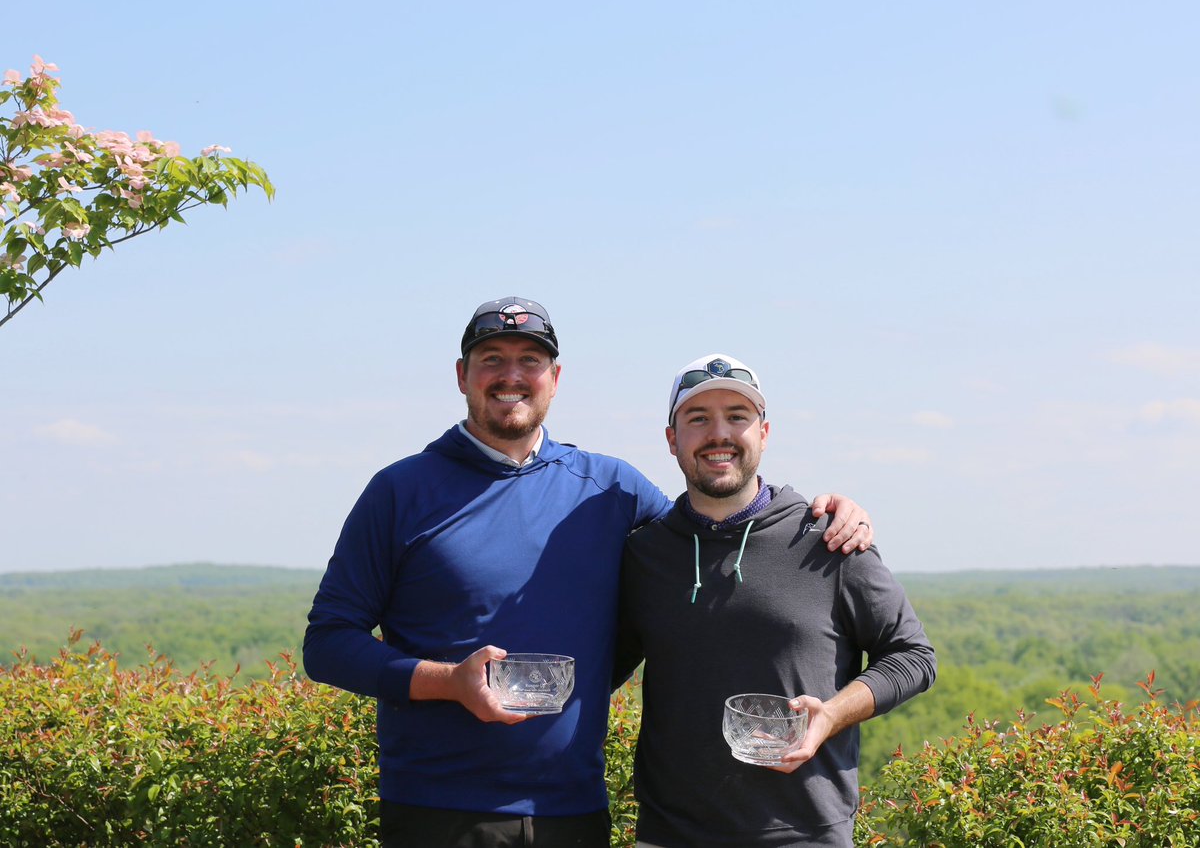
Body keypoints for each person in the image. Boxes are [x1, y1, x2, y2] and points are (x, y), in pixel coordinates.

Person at [303, 299, 876, 848]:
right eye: (492, 360)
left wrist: (812, 511)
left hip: (573, 811)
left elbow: (717, 529)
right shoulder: (400, 492)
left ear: (555, 377)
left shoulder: (613, 489)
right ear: (462, 375)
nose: (512, 376)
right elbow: (327, 644)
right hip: (436, 808)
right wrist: (448, 682)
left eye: (530, 360)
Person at [617, 353, 937, 848]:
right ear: (671, 438)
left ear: (764, 433)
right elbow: (595, 665)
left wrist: (832, 713)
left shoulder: (829, 539)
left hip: (806, 833)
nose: (718, 434)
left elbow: (913, 657)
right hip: (670, 834)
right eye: (698, 418)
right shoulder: (644, 553)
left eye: (737, 417)